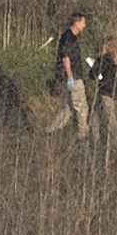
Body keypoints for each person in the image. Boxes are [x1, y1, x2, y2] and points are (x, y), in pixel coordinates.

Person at [45, 12, 89, 140]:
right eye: (83, 22)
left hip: (70, 76)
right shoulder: (68, 37)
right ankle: (83, 135)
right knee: (82, 106)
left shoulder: (71, 37)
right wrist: (70, 77)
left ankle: (51, 131)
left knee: (68, 107)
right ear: (77, 22)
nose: (84, 26)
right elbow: (65, 58)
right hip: (72, 76)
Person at [89, 36, 117, 148]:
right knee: (95, 113)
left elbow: (94, 73)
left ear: (107, 46)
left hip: (104, 90)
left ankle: (116, 142)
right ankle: (96, 138)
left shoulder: (105, 59)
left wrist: (97, 60)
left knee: (110, 117)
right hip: (113, 90)